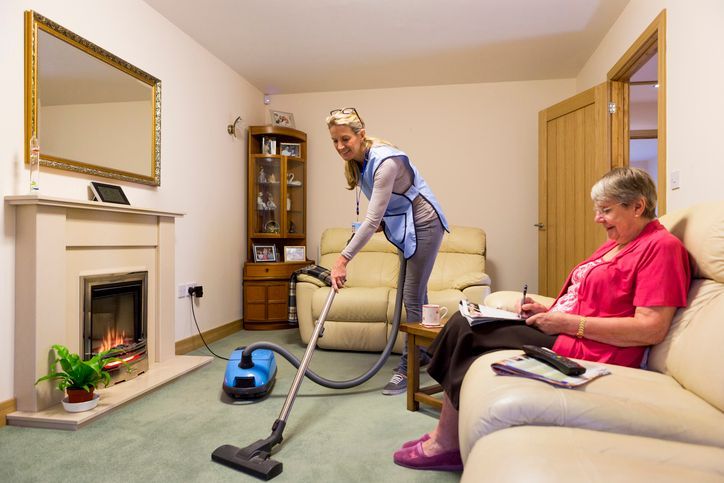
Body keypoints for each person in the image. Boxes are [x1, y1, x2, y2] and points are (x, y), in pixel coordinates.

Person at [393, 167, 691, 471]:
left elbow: (651, 328)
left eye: (606, 210)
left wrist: (567, 323)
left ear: (638, 206)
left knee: (469, 331)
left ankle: (445, 443)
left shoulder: (661, 248)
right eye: (597, 210)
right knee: (464, 318)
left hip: (595, 346)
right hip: (569, 329)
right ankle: (446, 435)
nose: (597, 218)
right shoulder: (618, 244)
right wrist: (549, 311)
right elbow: (588, 299)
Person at [326, 107, 449, 395]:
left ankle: (408, 367)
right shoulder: (361, 162)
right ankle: (422, 352)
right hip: (405, 225)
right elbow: (383, 211)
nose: (340, 146)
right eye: (335, 141)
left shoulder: (386, 163)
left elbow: (370, 221)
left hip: (425, 224)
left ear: (361, 134)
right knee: (416, 291)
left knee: (411, 295)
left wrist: (342, 259)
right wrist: (382, 222)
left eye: (345, 139)